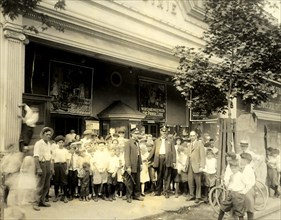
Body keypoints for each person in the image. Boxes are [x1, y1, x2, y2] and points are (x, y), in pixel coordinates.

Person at [147, 126, 176, 198]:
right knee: (159, 176)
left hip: (167, 159)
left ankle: (166, 191)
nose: (164, 133)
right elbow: (153, 151)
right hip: (159, 159)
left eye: (165, 132)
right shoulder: (157, 141)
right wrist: (147, 159)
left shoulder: (170, 141)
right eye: (163, 132)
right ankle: (158, 191)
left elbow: (174, 152)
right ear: (160, 132)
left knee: (167, 176)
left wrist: (174, 161)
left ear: (167, 132)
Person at [33, 127, 54, 211]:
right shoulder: (38, 143)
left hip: (48, 164)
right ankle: (36, 202)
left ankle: (42, 201)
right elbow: (36, 156)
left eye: (50, 135)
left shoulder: (49, 144)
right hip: (41, 164)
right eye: (47, 134)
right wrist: (38, 168)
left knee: (47, 184)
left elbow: (50, 156)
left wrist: (51, 167)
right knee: (40, 184)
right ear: (43, 134)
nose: (48, 136)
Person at [124, 127, 144, 203]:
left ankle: (137, 195)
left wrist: (141, 163)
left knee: (137, 180)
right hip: (131, 165)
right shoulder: (128, 143)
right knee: (130, 182)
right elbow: (126, 156)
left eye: (138, 133)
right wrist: (128, 166)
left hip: (137, 165)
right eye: (136, 133)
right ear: (132, 134)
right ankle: (129, 196)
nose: (137, 135)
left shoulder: (137, 142)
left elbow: (139, 154)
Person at [186, 130, 206, 203]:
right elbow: (188, 156)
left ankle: (198, 196)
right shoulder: (189, 145)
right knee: (190, 181)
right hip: (190, 166)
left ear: (196, 136)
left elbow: (202, 156)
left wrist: (202, 166)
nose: (192, 137)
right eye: (191, 136)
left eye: (193, 135)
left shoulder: (200, 144)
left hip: (197, 166)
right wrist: (186, 165)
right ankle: (191, 195)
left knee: (198, 182)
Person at [51, 135, 69, 203]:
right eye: (59, 142)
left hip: (63, 166)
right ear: (57, 143)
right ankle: (56, 195)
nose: (61, 144)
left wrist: (67, 169)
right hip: (56, 166)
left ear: (64, 143)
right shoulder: (55, 151)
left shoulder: (66, 151)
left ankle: (65, 196)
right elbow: (52, 160)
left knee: (64, 181)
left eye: (62, 142)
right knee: (56, 181)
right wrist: (52, 169)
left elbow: (67, 161)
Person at [240, 153, 256, 220]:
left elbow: (248, 183)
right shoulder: (247, 168)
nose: (240, 160)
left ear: (245, 160)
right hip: (249, 190)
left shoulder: (247, 170)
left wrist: (243, 192)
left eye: (241, 159)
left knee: (247, 209)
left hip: (247, 191)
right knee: (247, 208)